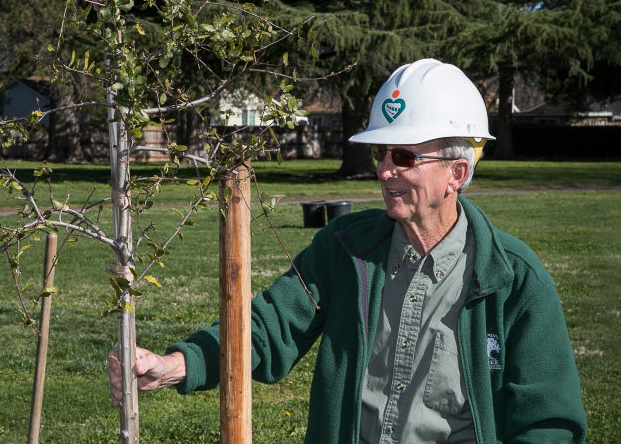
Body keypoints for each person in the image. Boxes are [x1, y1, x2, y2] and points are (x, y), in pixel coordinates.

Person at [108, 58, 587, 443]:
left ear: (456, 175)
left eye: (403, 157)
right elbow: (266, 326)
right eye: (381, 153)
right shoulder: (346, 249)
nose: (383, 171)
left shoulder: (515, 280)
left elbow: (549, 423)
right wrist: (176, 365)